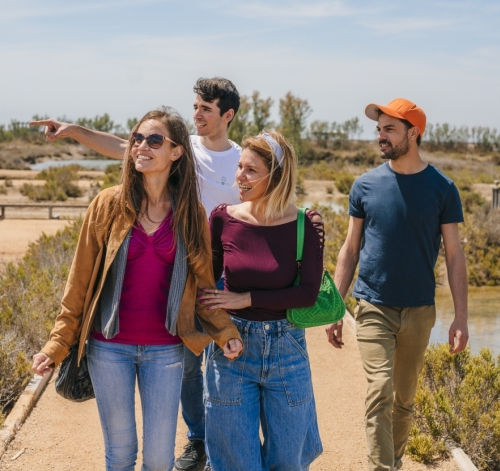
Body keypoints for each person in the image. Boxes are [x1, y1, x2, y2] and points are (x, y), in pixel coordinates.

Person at [31, 78, 242, 471]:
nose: (142, 146)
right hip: (108, 347)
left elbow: (202, 284)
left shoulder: (191, 212)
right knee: (120, 455)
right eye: (137, 138)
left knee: (160, 460)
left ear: (177, 152)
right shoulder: (108, 204)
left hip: (165, 349)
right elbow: (79, 284)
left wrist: (226, 333)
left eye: (154, 141)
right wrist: (56, 345)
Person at [325, 98, 469, 471]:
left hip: (420, 310)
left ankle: (395, 461)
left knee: (404, 400)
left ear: (413, 133)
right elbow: (350, 249)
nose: (381, 136)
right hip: (373, 306)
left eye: (389, 129)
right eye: (379, 129)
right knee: (380, 391)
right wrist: (336, 307)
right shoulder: (366, 185)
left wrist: (461, 318)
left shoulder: (442, 188)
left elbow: (454, 256)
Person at [199, 130, 324, 471]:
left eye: (251, 170)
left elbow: (307, 293)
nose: (240, 176)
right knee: (236, 463)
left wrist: (244, 298)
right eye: (239, 167)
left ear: (277, 175)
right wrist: (222, 329)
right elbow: (206, 286)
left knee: (288, 462)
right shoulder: (223, 218)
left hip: (287, 349)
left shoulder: (306, 225)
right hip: (232, 348)